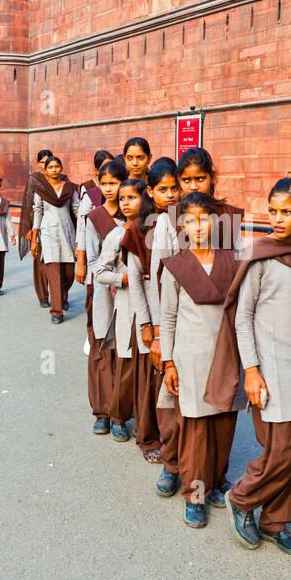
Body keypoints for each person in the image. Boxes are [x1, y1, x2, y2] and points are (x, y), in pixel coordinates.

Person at [206, 177, 291, 556]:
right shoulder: (259, 255)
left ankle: (275, 521)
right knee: (281, 449)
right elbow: (241, 315)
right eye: (273, 211)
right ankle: (243, 498)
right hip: (270, 369)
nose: (278, 219)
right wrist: (251, 369)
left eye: (287, 212)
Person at [159, 193, 242, 528]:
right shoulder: (176, 266)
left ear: (216, 221)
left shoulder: (232, 261)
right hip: (190, 355)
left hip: (226, 353)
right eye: (189, 220)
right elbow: (168, 318)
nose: (197, 226)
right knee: (196, 426)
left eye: (204, 218)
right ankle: (195, 494)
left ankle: (218, 478)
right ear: (181, 226)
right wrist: (169, 363)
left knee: (224, 421)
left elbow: (242, 311)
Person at [122, 158, 180, 468]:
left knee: (169, 380)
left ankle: (173, 438)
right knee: (150, 381)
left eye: (174, 188)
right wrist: (148, 324)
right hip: (151, 314)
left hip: (176, 315)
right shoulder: (138, 227)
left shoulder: (187, 221)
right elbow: (137, 279)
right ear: (150, 191)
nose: (170, 195)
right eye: (162, 189)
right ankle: (147, 437)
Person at [94, 178, 145, 441]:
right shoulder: (116, 234)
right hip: (126, 305)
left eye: (132, 197)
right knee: (125, 366)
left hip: (154, 305)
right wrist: (123, 279)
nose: (125, 202)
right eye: (122, 198)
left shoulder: (154, 230)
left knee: (146, 368)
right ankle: (117, 417)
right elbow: (101, 272)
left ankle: (146, 423)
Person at [82, 158, 127, 433]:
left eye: (115, 183)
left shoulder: (134, 214)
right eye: (105, 183)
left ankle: (120, 415)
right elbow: (91, 261)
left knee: (124, 352)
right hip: (102, 290)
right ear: (98, 183)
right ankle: (102, 412)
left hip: (129, 291)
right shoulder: (95, 217)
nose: (110, 189)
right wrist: (107, 282)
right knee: (101, 349)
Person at [30, 155, 80, 324]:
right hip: (48, 232)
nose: (54, 170)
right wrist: (34, 239)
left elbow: (77, 210)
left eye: (57, 166)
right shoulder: (41, 190)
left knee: (68, 272)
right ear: (45, 170)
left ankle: (62, 296)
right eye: (50, 167)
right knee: (53, 271)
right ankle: (56, 310)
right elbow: (37, 212)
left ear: (61, 168)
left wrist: (82, 232)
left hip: (67, 231)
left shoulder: (70, 189)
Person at [74, 149, 116, 287]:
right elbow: (82, 225)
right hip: (95, 251)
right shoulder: (90, 190)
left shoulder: (122, 198)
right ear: (97, 171)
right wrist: (80, 261)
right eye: (104, 167)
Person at [19, 149, 55, 309]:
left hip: (56, 225)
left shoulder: (59, 178)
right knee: (40, 262)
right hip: (37, 226)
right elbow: (27, 204)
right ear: (38, 163)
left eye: (48, 161)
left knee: (58, 261)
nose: (45, 165)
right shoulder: (34, 179)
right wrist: (28, 229)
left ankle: (60, 295)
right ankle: (43, 295)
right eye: (42, 162)